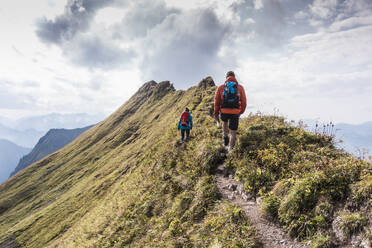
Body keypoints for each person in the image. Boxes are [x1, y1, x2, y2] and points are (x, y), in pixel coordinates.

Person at [214, 71, 247, 152]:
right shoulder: (240, 87)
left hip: (224, 111)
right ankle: (230, 150)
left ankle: (225, 136)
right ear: (234, 77)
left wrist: (216, 112)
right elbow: (244, 102)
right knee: (233, 133)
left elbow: (216, 102)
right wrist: (240, 112)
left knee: (224, 122)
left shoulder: (221, 87)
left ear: (226, 77)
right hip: (235, 112)